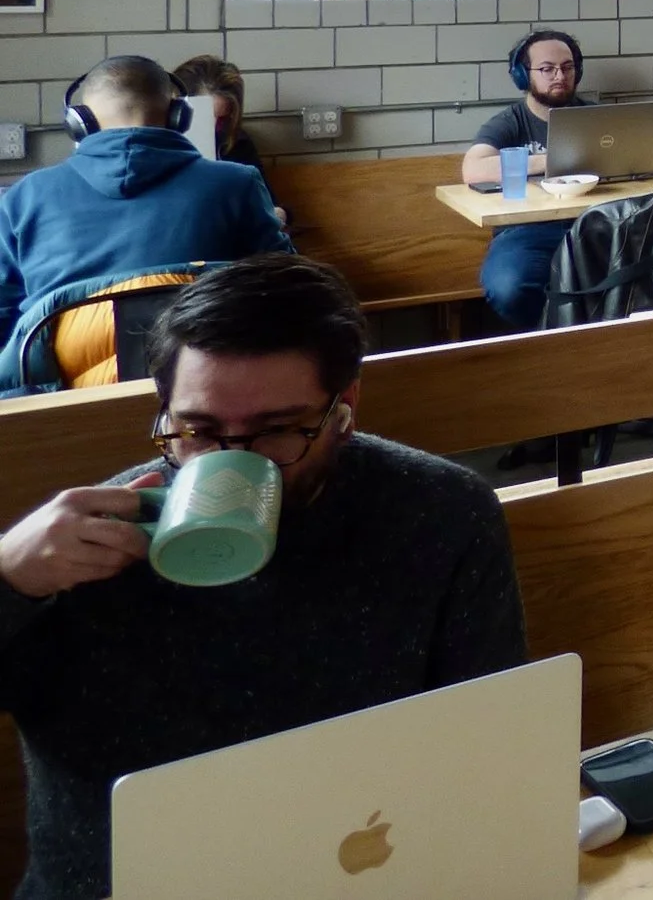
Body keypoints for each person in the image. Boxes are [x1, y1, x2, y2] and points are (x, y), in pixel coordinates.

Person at [0, 254, 527, 900]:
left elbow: (485, 732)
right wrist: (7, 579)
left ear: (344, 408)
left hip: (359, 873)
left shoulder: (439, 513)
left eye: (276, 431)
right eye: (198, 429)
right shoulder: (77, 551)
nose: (232, 461)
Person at [0, 58, 291, 371]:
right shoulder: (237, 184)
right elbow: (288, 289)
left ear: (80, 122)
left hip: (68, 394)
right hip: (207, 384)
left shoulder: (21, 200)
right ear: (179, 116)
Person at [458, 30, 590, 329]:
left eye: (567, 67)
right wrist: (551, 160)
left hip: (593, 225)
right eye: (547, 69)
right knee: (510, 288)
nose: (560, 76)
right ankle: (550, 341)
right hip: (525, 231)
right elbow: (473, 169)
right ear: (522, 75)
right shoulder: (509, 122)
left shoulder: (594, 117)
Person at [169, 57, 265, 177]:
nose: (214, 126)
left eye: (222, 119)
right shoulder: (156, 147)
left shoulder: (237, 145)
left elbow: (258, 186)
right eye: (205, 118)